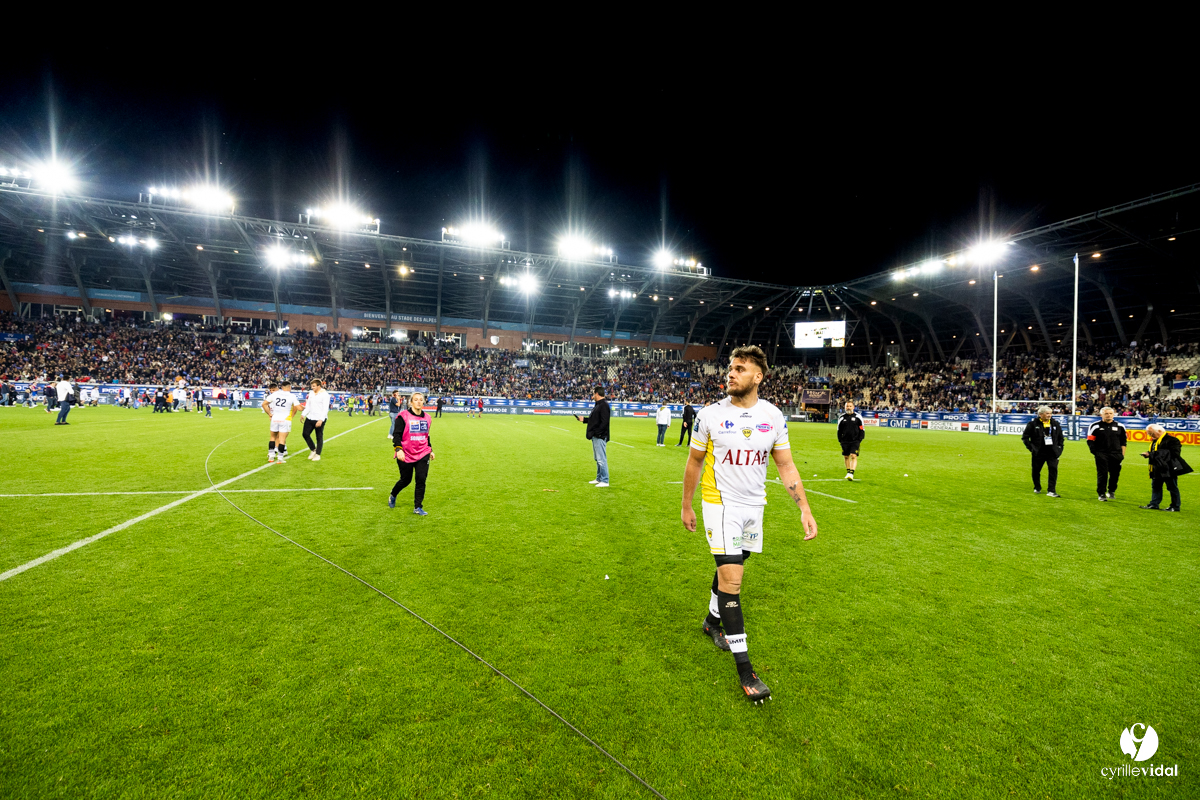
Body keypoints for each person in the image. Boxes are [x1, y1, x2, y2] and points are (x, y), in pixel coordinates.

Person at [681, 345, 818, 704]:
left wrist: (804, 507)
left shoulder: (773, 417)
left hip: (754, 507)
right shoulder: (709, 415)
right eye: (730, 368)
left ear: (758, 377)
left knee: (736, 564)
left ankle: (712, 621)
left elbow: (786, 466)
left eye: (740, 369)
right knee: (733, 579)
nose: (731, 373)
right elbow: (694, 461)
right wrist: (686, 505)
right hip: (718, 504)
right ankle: (746, 671)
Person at [389, 391, 434, 515]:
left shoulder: (428, 418)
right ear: (411, 402)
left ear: (424, 401)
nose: (419, 401)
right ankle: (393, 494)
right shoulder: (403, 416)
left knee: (421, 478)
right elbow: (396, 435)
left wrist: (430, 450)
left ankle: (417, 507)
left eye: (421, 399)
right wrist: (398, 449)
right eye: (416, 399)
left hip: (422, 452)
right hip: (406, 453)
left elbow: (426, 436)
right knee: (406, 480)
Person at [1139, 425, 1191, 511]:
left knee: (1172, 487)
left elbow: (1174, 453)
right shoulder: (1155, 441)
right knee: (1156, 486)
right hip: (1157, 467)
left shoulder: (1173, 440)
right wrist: (1149, 454)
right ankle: (1154, 504)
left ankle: (1175, 506)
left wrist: (1151, 454)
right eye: (1149, 434)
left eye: (1152, 433)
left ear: (1159, 431)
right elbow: (1158, 453)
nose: (1151, 436)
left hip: (1169, 468)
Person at [1021, 406, 1064, 497]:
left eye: (1050, 413)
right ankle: (1037, 487)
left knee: (1053, 470)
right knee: (1036, 470)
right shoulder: (1032, 424)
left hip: (1052, 452)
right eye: (1047, 413)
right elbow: (1025, 437)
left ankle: (1051, 490)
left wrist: (1059, 449)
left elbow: (1061, 437)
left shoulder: (1055, 424)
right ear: (1041, 414)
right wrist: (1032, 448)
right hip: (1039, 452)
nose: (1049, 415)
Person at [1087, 406, 1126, 501]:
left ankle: (1111, 491)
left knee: (1115, 474)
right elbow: (1090, 440)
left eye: (1110, 413)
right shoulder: (1095, 426)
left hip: (1116, 454)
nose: (1109, 415)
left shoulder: (1120, 426)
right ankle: (1101, 493)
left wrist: (1122, 455)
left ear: (1113, 414)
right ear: (1101, 415)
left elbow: (1123, 442)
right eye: (1106, 413)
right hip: (1101, 453)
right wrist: (1095, 452)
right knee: (1102, 474)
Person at [574, 387, 611, 487]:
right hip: (596, 435)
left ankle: (605, 480)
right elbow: (595, 420)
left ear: (597, 394)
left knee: (601, 459)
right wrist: (584, 420)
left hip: (600, 436)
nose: (593, 396)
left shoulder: (603, 405)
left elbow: (604, 422)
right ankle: (599, 478)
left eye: (593, 394)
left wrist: (597, 432)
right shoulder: (599, 405)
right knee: (597, 458)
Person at [261, 381, 301, 463]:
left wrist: (269, 414)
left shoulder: (275, 395)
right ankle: (280, 458)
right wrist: (305, 408)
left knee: (272, 437)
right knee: (282, 439)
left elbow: (264, 404)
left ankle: (271, 456)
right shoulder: (292, 396)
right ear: (289, 387)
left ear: (281, 387)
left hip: (275, 418)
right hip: (285, 419)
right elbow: (298, 408)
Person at [301, 379, 330, 460]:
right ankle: (313, 449)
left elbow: (325, 408)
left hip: (319, 418)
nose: (312, 387)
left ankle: (318, 454)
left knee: (319, 437)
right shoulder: (311, 393)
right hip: (310, 417)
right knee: (305, 434)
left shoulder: (325, 395)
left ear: (319, 386)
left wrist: (321, 420)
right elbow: (308, 405)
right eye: (311, 386)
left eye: (314, 386)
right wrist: (303, 414)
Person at [837, 401, 865, 481]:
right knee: (846, 456)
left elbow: (862, 429)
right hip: (845, 441)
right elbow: (839, 430)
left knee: (853, 455)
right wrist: (840, 440)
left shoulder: (858, 417)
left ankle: (851, 473)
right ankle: (848, 472)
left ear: (853, 407)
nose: (848, 407)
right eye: (847, 406)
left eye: (850, 406)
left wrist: (860, 439)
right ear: (845, 407)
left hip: (855, 440)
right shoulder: (842, 417)